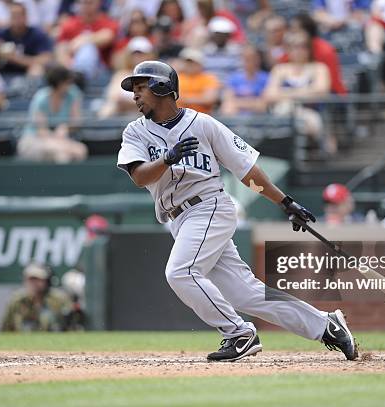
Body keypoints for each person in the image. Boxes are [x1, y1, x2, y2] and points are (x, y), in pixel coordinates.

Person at [116, 60, 359, 362]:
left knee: (180, 272)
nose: (135, 96)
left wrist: (285, 203)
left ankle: (238, 333)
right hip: (178, 219)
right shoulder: (135, 132)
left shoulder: (203, 124)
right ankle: (327, 325)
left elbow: (246, 172)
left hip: (209, 206)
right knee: (247, 293)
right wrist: (168, 158)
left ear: (162, 87)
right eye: (134, 90)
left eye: (141, 88)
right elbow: (140, 176)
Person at [263, 32, 333, 154]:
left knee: (310, 123)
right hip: (282, 114)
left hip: (310, 113)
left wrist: (285, 93)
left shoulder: (319, 68)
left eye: (303, 46)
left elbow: (321, 91)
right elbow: (269, 96)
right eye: (294, 47)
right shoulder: (280, 69)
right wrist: (306, 92)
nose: (299, 51)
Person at [18, 64, 88, 162]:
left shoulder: (73, 94)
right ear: (59, 83)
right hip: (34, 140)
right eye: (67, 82)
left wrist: (66, 127)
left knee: (81, 151)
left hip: (60, 141)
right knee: (62, 155)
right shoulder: (41, 98)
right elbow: (41, 131)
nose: (71, 84)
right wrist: (57, 137)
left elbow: (76, 122)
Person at [1, 263, 76, 331]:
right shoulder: (17, 301)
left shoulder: (59, 300)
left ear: (46, 281)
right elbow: (5, 328)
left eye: (37, 279)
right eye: (30, 279)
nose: (33, 283)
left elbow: (71, 326)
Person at [56, 0, 118, 79]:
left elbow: (108, 36)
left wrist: (83, 40)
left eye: (90, 2)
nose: (86, 6)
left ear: (98, 3)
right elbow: (61, 51)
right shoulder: (69, 24)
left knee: (88, 49)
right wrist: (68, 65)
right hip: (73, 68)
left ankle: (80, 75)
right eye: (84, 2)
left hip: (101, 71)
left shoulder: (107, 22)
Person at [0, 2, 53, 77]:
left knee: (37, 69)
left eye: (19, 16)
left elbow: (46, 59)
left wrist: (16, 58)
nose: (16, 19)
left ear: (26, 17)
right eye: (13, 16)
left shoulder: (37, 34)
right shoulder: (0, 34)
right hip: (3, 72)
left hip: (27, 74)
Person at [98, 36, 155, 118]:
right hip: (121, 116)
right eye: (134, 54)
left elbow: (153, 102)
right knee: (109, 107)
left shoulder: (154, 75)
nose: (137, 57)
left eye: (141, 54)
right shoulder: (121, 75)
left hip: (145, 117)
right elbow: (113, 97)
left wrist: (129, 103)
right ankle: (101, 125)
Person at [220, 44, 269, 116]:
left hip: (258, 116)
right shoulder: (234, 78)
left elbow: (262, 104)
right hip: (237, 114)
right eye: (246, 58)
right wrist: (252, 103)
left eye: (252, 58)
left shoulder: (265, 78)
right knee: (227, 108)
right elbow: (228, 100)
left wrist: (237, 103)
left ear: (258, 59)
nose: (249, 62)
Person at [176, 47, 220, 114]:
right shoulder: (177, 77)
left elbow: (209, 99)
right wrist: (198, 98)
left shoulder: (208, 78)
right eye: (187, 62)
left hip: (202, 116)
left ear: (200, 64)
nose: (190, 65)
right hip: (179, 116)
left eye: (193, 63)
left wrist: (185, 98)